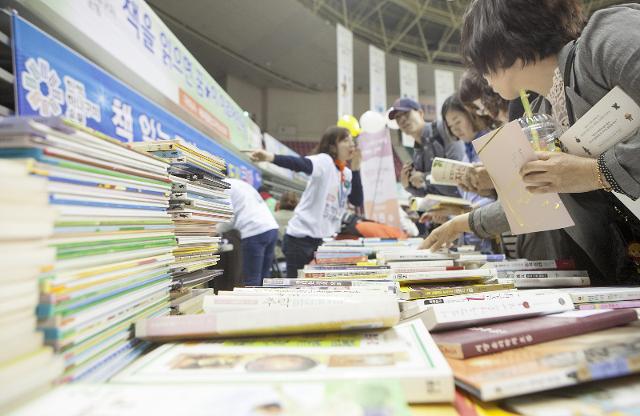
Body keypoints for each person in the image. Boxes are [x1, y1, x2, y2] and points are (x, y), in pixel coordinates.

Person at [422, 1, 640, 284]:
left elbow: (580, 177)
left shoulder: (606, 38)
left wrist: (593, 173)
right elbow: (535, 203)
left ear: (501, 47)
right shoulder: (540, 115)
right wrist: (462, 224)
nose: (483, 76)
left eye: (480, 60)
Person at [249, 126, 364, 278]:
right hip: (299, 240)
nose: (351, 144)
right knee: (297, 289)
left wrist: (356, 168)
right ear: (332, 146)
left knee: (314, 287)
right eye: (345, 140)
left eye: (352, 140)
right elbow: (301, 164)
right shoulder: (325, 162)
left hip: (322, 241)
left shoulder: (347, 173)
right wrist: (271, 157)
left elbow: (356, 200)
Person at [433, 94, 495, 252]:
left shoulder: (492, 142)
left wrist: (463, 214)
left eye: (458, 122)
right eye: (451, 126)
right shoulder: (466, 154)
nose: (456, 130)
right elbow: (469, 200)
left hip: (493, 234)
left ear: (471, 113)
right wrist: (450, 215)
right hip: (473, 237)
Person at [388, 97, 465, 198]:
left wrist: (424, 177)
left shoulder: (442, 129)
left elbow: (459, 171)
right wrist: (408, 186)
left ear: (420, 113)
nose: (402, 119)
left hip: (472, 201)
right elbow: (430, 194)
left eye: (406, 114)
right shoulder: (417, 153)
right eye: (398, 118)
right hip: (451, 209)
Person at [219, 178, 279, 286]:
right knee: (265, 278)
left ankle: (254, 302)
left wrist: (213, 232)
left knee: (251, 279)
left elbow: (228, 217)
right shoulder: (241, 184)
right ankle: (267, 302)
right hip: (271, 228)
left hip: (253, 231)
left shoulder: (223, 186)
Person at [273, 191, 300, 260]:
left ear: (281, 202)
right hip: (294, 258)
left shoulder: (272, 216)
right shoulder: (300, 218)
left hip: (275, 257)